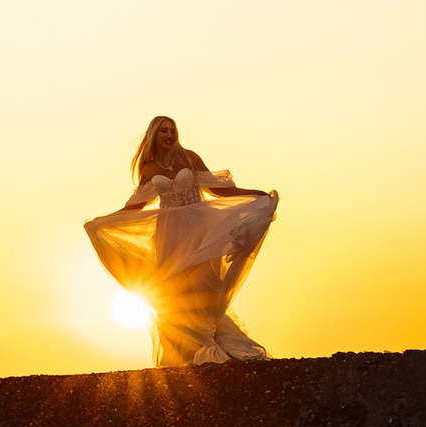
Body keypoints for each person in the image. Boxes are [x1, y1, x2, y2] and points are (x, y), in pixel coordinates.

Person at [83, 115, 279, 366]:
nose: (169, 135)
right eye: (163, 131)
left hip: (199, 230)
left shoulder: (189, 158)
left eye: (172, 130)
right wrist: (102, 221)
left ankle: (214, 341)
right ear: (153, 135)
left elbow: (219, 190)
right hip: (170, 236)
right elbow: (135, 207)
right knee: (176, 292)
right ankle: (188, 352)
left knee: (206, 287)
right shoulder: (148, 168)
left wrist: (255, 195)